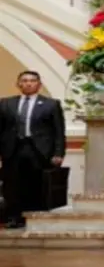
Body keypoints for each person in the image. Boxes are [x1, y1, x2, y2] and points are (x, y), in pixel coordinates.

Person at [0, 71, 66, 229]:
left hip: (40, 151)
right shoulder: (6, 103)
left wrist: (58, 153)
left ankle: (36, 217)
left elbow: (58, 131)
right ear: (18, 84)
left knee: (37, 184)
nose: (28, 83)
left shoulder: (51, 104)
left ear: (39, 84)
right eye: (24, 80)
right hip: (13, 149)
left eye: (32, 80)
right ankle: (14, 217)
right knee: (12, 185)